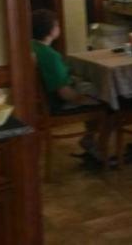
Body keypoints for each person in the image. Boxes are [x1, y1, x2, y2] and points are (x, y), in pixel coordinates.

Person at [31, 9, 110, 163]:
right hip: (58, 102)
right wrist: (86, 99)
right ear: (52, 31)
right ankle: (97, 147)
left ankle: (89, 139)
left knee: (93, 90)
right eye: (57, 25)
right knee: (108, 99)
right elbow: (65, 93)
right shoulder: (51, 56)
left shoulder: (32, 46)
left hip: (45, 101)